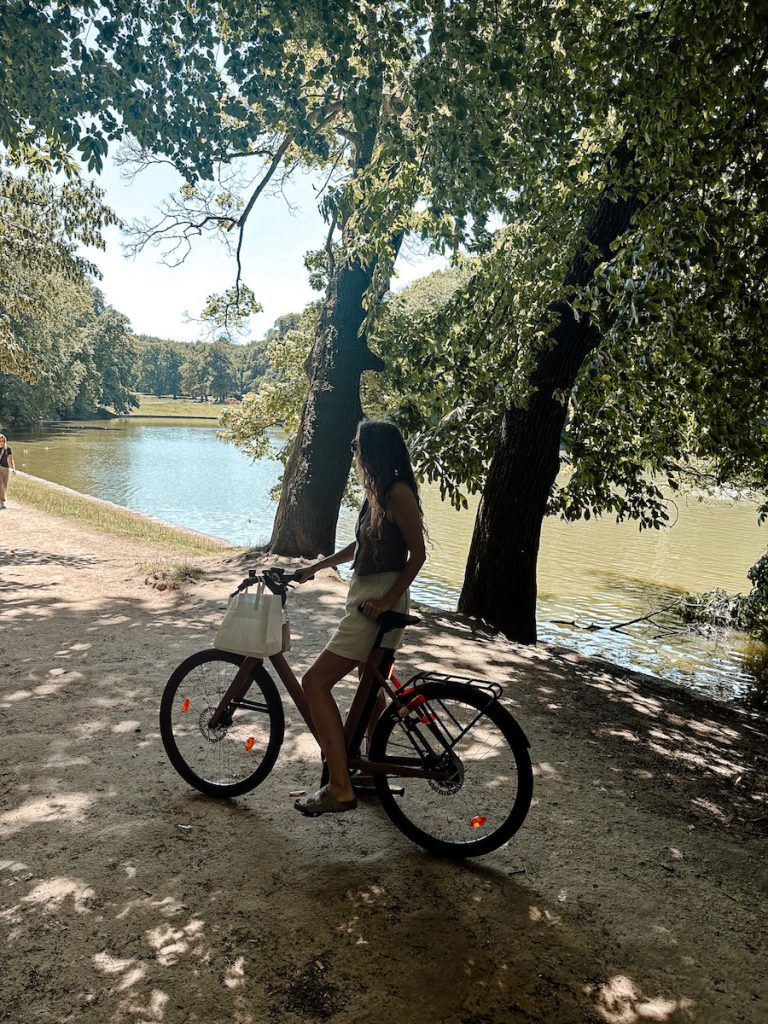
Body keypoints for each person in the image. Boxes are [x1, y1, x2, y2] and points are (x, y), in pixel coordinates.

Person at [293, 418, 426, 816]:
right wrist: (318, 566)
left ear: (373, 451)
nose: (353, 452)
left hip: (378, 600)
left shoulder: (398, 492)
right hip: (368, 595)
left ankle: (340, 786)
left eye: (357, 446)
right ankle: (367, 773)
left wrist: (386, 602)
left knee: (314, 683)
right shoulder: (376, 493)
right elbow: (361, 544)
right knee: (370, 690)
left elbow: (417, 555)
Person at [0, 435, 16, 510]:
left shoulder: (7, 449)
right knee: (0, 485)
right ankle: (2, 502)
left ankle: (1, 499)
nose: (1, 442)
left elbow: (11, 459)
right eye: (0, 441)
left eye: (3, 441)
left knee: (4, 486)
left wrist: (13, 468)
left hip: (5, 468)